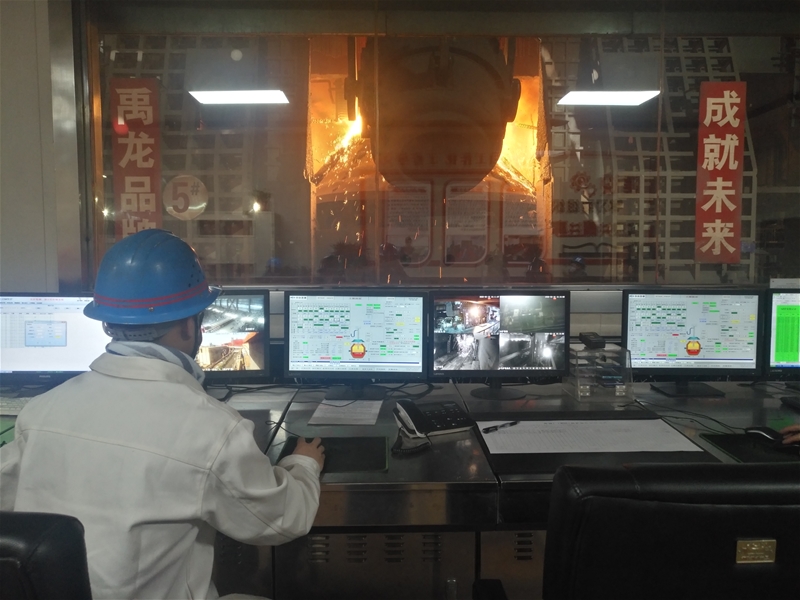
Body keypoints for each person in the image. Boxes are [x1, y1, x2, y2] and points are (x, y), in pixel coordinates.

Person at [0, 229, 324, 600]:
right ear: (189, 324)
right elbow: (281, 520)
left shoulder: (40, 412)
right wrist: (303, 464)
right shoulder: (212, 429)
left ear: (107, 323)